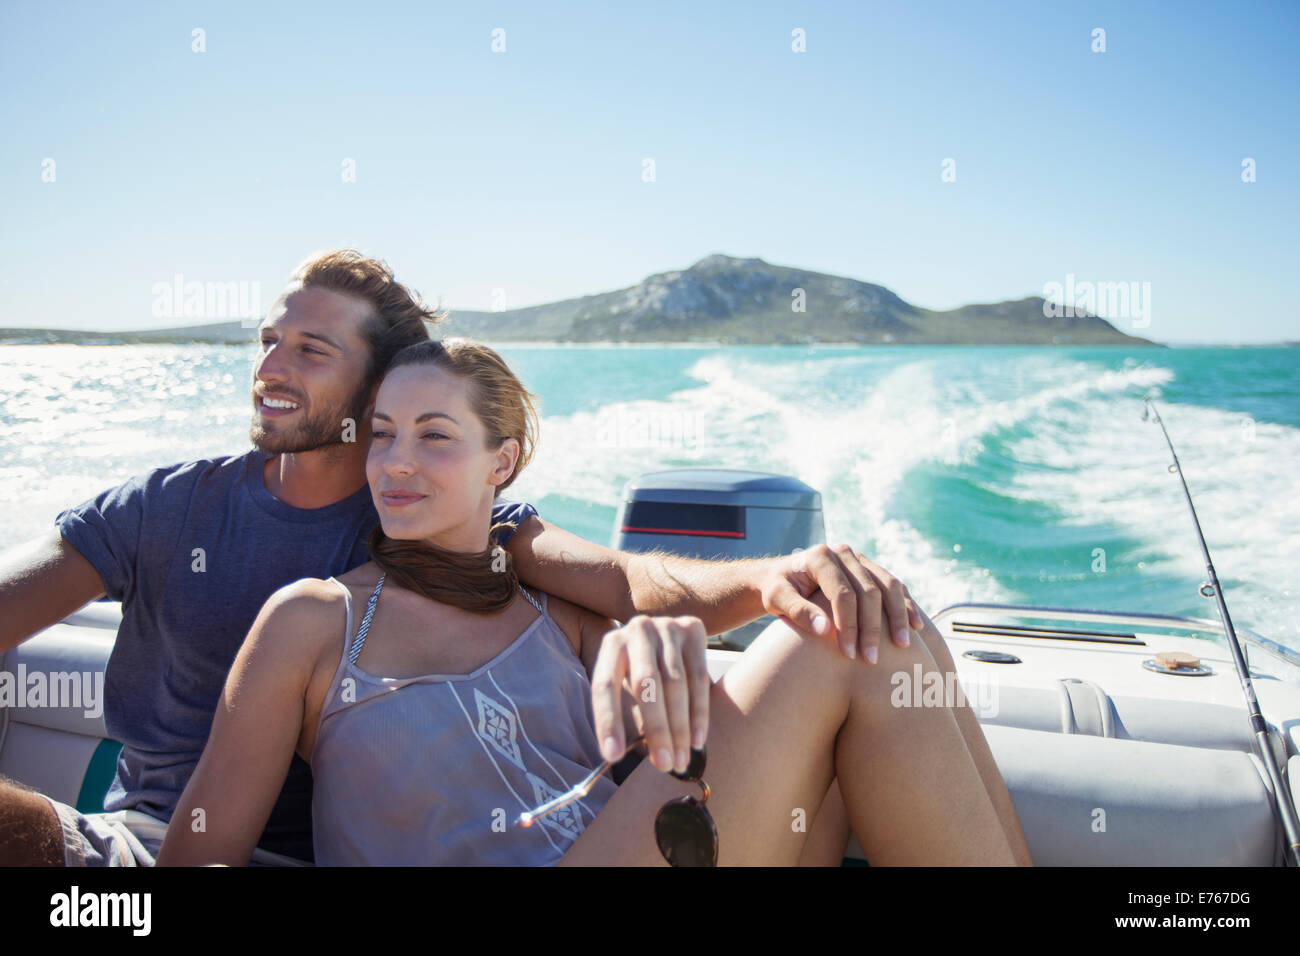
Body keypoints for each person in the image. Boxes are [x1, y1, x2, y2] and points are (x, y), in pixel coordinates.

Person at [0, 250, 967, 867]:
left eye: (310, 348)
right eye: (266, 341)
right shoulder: (181, 513)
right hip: (140, 842)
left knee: (866, 633)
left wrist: (755, 588)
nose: (271, 367)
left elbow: (628, 587)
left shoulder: (501, 546)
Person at [157, 337, 1030, 866]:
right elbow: (199, 851)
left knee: (881, 622)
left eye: (435, 437)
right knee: (835, 639)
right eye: (383, 434)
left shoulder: (552, 609)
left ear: (502, 463)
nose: (395, 463)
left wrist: (652, 663)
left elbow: (643, 601)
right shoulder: (315, 620)